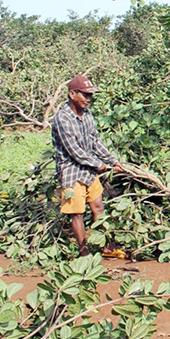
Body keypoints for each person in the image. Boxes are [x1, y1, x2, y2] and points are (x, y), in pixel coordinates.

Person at [51, 75, 125, 257]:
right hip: (71, 171)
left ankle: (106, 247)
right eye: (85, 95)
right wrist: (99, 164)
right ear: (72, 94)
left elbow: (95, 141)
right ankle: (83, 251)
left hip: (88, 170)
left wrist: (112, 160)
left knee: (98, 207)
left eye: (90, 95)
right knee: (77, 213)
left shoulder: (87, 115)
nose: (88, 99)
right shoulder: (63, 118)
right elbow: (74, 151)